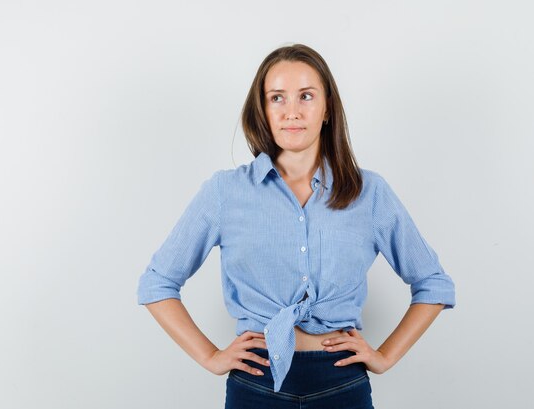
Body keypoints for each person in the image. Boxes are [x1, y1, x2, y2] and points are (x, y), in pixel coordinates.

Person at [136, 43, 456, 408]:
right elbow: (157, 283)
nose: (292, 112)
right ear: (263, 110)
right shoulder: (225, 192)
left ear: (327, 108)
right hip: (256, 383)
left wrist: (385, 357)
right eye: (277, 98)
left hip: (342, 383)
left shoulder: (370, 193)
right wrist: (210, 356)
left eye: (306, 96)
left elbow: (433, 284)